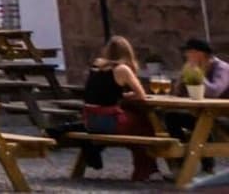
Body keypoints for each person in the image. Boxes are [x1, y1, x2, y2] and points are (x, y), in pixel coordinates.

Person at [82, 36, 159, 182]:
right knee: (145, 126)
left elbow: (101, 93)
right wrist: (128, 96)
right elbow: (141, 95)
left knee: (137, 126)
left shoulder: (96, 66)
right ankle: (145, 171)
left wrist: (122, 96)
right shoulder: (121, 69)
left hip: (90, 121)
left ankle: (148, 169)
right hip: (108, 121)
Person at [165, 39, 229, 172]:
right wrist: (182, 78)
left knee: (201, 122)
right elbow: (177, 93)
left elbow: (214, 92)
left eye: (189, 52)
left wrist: (197, 73)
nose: (186, 56)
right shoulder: (195, 68)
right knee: (171, 116)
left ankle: (207, 166)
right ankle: (181, 165)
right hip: (205, 114)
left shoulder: (222, 68)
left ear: (199, 53)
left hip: (224, 114)